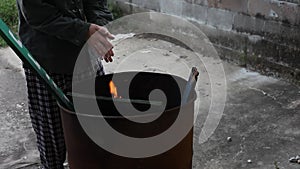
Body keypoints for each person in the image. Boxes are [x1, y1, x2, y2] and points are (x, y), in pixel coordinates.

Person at [16, 0, 114, 168]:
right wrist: (85, 31)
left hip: (86, 56)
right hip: (48, 60)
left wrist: (98, 29)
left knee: (94, 122)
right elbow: (38, 14)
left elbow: (97, 3)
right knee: (52, 133)